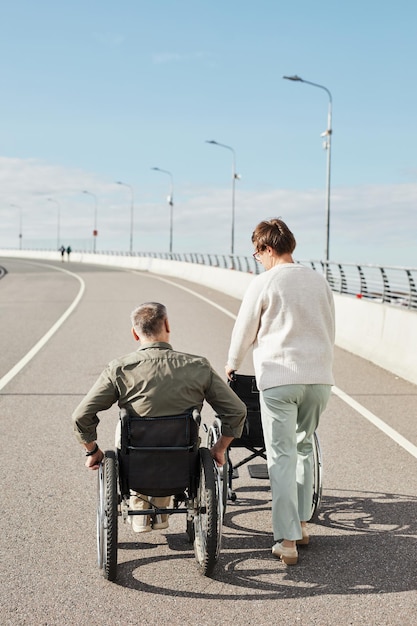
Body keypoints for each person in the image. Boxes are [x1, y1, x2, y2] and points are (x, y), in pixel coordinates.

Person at [72, 301, 246, 533]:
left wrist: (93, 451)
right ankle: (161, 512)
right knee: (180, 431)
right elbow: (237, 410)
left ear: (135, 333)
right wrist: (219, 449)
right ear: (167, 324)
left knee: (126, 425)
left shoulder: (119, 369)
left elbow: (81, 415)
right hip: (183, 466)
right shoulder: (198, 366)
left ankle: (141, 511)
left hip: (136, 467)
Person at [225, 218, 335, 565]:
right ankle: (301, 524)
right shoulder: (319, 281)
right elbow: (330, 328)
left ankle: (286, 541)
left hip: (279, 378)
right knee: (304, 447)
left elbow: (245, 329)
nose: (257, 260)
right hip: (319, 379)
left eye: (257, 253)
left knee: (281, 456)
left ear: (267, 249)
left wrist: (232, 362)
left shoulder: (264, 282)